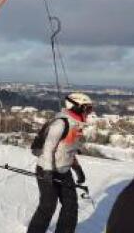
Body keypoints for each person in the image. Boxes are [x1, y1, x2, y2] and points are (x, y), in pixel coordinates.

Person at [27, 92, 93, 233]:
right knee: (48, 206)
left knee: (71, 206)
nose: (88, 113)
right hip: (46, 169)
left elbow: (69, 151)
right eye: (87, 109)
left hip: (64, 171)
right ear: (76, 107)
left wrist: (77, 169)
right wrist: (48, 171)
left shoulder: (76, 127)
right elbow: (48, 149)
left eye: (89, 109)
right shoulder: (60, 123)